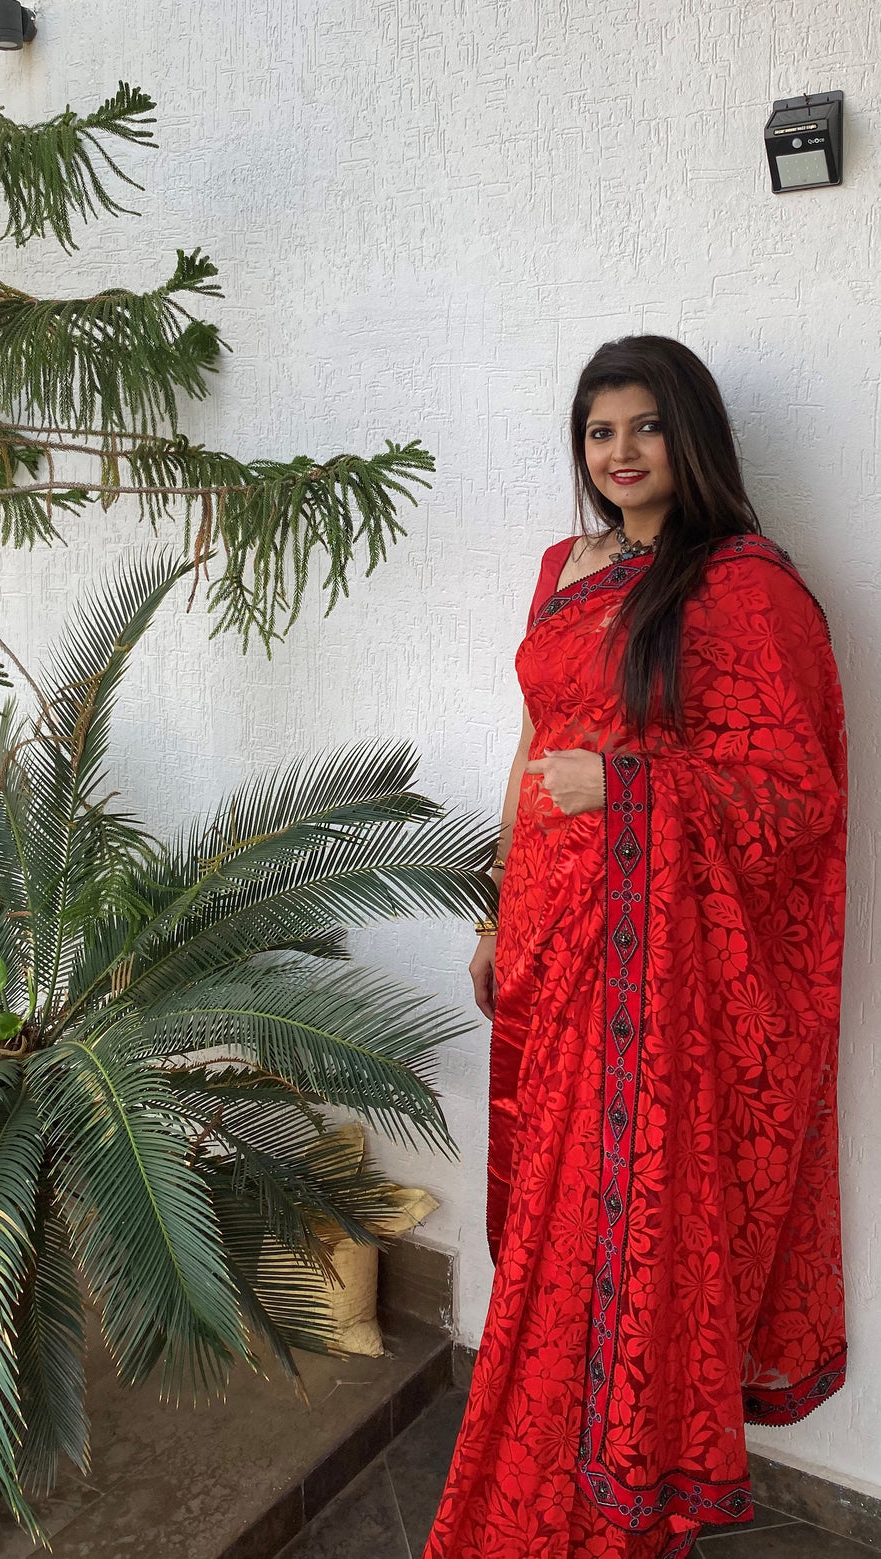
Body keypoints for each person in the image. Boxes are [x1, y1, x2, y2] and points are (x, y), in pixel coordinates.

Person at [421, 335, 848, 1559]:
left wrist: (621, 785)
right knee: (556, 1216)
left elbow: (791, 792)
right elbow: (528, 746)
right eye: (599, 431)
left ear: (689, 437)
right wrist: (499, 912)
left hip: (654, 969)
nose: (618, 453)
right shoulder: (562, 567)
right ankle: (543, 1460)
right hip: (555, 941)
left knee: (617, 1219)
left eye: (644, 427)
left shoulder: (741, 587)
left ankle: (604, 1487)